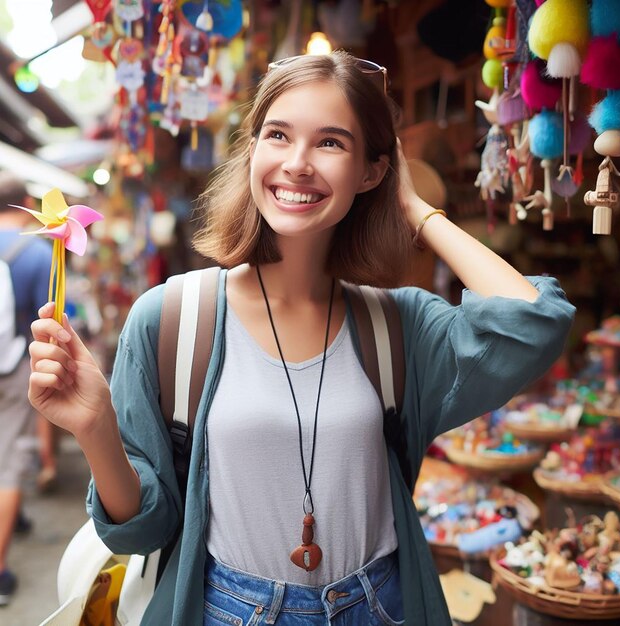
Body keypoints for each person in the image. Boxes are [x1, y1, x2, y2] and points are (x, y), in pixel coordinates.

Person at [28, 51, 575, 626]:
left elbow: (532, 324)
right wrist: (94, 428)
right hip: (227, 610)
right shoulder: (174, 319)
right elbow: (145, 528)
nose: (297, 163)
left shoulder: (396, 326)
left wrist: (414, 207)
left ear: (372, 170)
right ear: (253, 150)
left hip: (379, 606)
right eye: (278, 135)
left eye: (331, 143)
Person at [0, 172, 53, 606]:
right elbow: (46, 325)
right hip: (14, 367)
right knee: (9, 462)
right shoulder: (39, 254)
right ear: (27, 203)